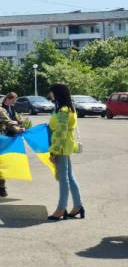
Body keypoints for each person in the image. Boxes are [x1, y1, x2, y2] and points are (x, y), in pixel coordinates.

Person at [47, 82, 84, 221]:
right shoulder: (70, 108)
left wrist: (53, 152)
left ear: (57, 94)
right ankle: (78, 206)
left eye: (52, 92)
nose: (50, 95)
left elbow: (60, 133)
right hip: (66, 145)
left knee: (64, 179)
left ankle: (61, 209)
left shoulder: (62, 110)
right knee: (70, 176)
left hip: (61, 147)